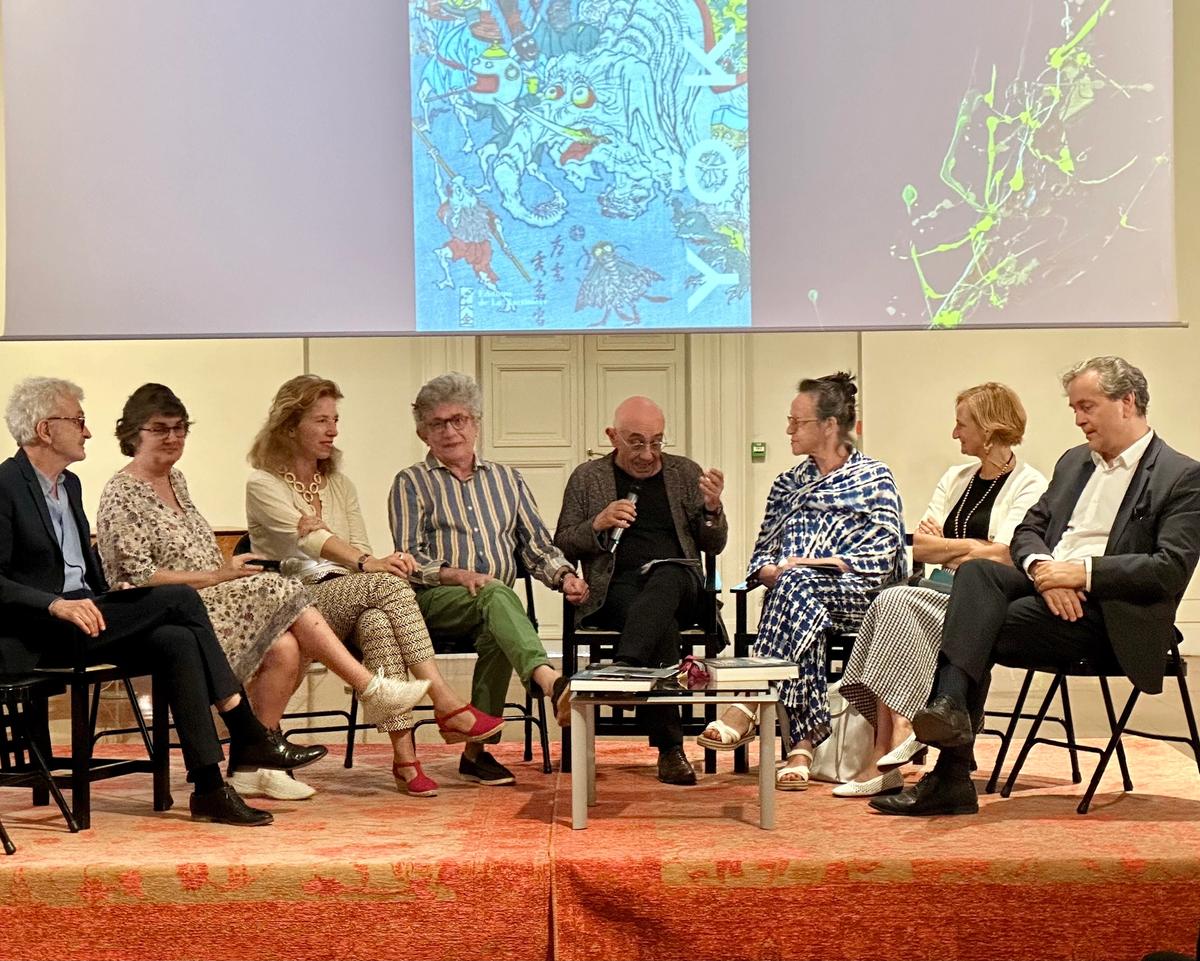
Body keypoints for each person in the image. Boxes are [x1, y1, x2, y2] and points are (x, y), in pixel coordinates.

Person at [872, 356, 1200, 817]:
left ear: (1127, 402)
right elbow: (1029, 531)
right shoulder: (1074, 463)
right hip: (1048, 592)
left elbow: (1168, 568)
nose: (1078, 419)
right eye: (1074, 409)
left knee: (976, 619)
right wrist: (1047, 570)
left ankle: (951, 764)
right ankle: (948, 713)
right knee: (977, 574)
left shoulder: (1180, 476)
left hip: (1108, 615)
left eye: (1087, 406)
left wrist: (1080, 573)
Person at [0, 377, 325, 827]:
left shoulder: (68, 485)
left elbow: (85, 571)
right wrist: (54, 604)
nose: (87, 431)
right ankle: (246, 730)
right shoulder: (6, 485)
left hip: (89, 615)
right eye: (77, 421)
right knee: (178, 600)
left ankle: (209, 787)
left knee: (176, 640)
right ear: (44, 429)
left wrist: (109, 601)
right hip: (41, 630)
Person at [96, 384, 433, 801]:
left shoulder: (176, 480)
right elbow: (134, 579)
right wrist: (217, 576)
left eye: (180, 428)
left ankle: (252, 765)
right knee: (282, 585)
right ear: (132, 434)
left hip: (211, 600)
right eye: (160, 429)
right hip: (168, 615)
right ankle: (371, 688)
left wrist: (224, 574)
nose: (172, 438)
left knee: (287, 646)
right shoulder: (122, 492)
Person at [244, 375, 507, 798]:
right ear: (290, 426)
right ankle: (444, 700)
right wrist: (361, 559)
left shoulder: (339, 485)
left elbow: (354, 549)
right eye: (321, 421)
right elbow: (314, 545)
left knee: (378, 620)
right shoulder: (263, 484)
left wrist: (354, 555)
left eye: (335, 420)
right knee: (387, 584)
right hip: (293, 602)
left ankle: (406, 760)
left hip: (344, 595)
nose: (333, 430)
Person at [833, 384, 1048, 797]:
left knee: (896, 600)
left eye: (961, 424)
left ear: (988, 429)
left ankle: (896, 737)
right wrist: (969, 549)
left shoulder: (1029, 483)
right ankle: (896, 737)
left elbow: (1006, 556)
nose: (954, 433)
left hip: (985, 600)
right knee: (890, 601)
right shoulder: (956, 477)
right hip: (938, 588)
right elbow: (922, 544)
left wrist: (955, 549)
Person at [697, 372, 907, 790]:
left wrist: (812, 563)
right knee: (798, 594)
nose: (789, 429)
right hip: (802, 603)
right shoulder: (786, 485)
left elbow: (883, 556)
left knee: (797, 585)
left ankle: (749, 704)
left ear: (829, 426)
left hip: (860, 599)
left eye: (798, 422)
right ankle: (802, 747)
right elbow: (760, 556)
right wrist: (770, 570)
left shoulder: (875, 479)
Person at [390, 372, 589, 787]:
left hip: (491, 603)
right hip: (432, 603)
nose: (450, 431)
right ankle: (550, 682)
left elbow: (535, 545)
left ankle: (475, 753)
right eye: (438, 423)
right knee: (498, 597)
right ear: (422, 432)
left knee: (498, 615)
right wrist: (454, 574)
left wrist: (564, 575)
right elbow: (410, 558)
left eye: (459, 419)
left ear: (476, 423)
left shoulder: (507, 479)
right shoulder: (411, 482)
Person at [554, 396, 727, 785]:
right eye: (636, 442)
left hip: (681, 584)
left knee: (666, 576)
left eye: (657, 442)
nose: (648, 454)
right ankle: (670, 750)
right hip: (616, 589)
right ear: (612, 437)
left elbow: (713, 545)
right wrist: (597, 523)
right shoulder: (588, 477)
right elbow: (563, 542)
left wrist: (713, 510)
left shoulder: (685, 473)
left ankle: (623, 668)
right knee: (656, 624)